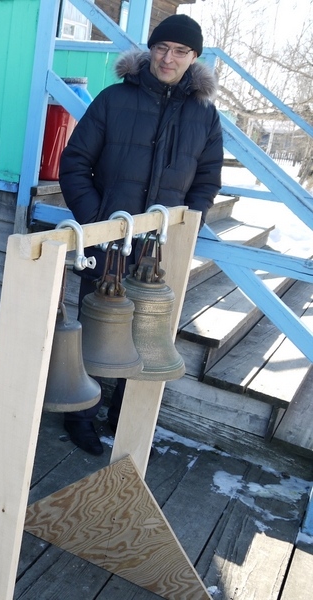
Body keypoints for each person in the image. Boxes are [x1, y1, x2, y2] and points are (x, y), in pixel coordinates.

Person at [58, 13, 223, 455]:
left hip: (159, 251)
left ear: (194, 57)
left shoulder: (205, 116)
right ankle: (82, 414)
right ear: (150, 50)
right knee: (97, 330)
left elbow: (206, 181)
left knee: (146, 334)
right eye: (162, 47)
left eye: (181, 51)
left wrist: (186, 228)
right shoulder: (113, 100)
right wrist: (99, 223)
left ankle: (124, 415)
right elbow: (74, 165)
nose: (169, 58)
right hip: (107, 243)